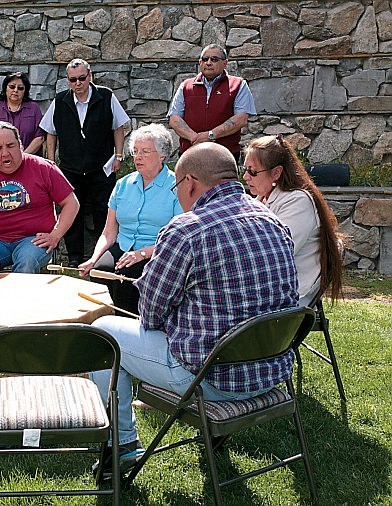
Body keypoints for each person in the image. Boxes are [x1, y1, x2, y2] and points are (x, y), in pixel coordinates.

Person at [90, 143, 299, 479]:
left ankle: (124, 444)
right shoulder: (274, 221)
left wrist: (177, 317)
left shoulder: (187, 229)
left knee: (103, 331)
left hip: (211, 378)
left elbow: (151, 313)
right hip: (271, 372)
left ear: (188, 183)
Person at [78, 124, 182, 314]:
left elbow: (178, 238)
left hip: (156, 250)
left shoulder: (176, 186)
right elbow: (109, 233)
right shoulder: (123, 184)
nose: (138, 157)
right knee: (100, 271)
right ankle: (103, 326)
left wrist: (142, 254)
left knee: (126, 278)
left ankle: (128, 330)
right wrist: (93, 258)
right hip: (124, 245)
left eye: (145, 151)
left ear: (162, 155)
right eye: (135, 151)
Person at [40, 58, 130, 267]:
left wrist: (119, 156)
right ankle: (74, 258)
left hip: (101, 167)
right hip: (70, 169)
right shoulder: (60, 101)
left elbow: (118, 127)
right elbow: (50, 133)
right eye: (73, 80)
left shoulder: (106, 96)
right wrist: (52, 161)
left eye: (82, 78)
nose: (78, 83)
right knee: (72, 212)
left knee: (104, 212)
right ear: (68, 81)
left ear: (90, 76)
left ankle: (103, 257)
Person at [0, 122, 79, 274]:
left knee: (26, 262)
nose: (5, 153)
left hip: (34, 239)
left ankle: (21, 298)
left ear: (20, 146)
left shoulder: (44, 168)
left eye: (10, 146)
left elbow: (72, 203)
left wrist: (55, 235)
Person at [243, 134, 344, 304]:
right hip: (269, 289)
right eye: (244, 170)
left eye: (252, 171)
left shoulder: (298, 202)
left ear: (276, 173)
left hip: (290, 296)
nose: (246, 177)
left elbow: (276, 256)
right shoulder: (262, 198)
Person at [167, 43, 256, 161]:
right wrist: (195, 138)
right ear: (200, 62)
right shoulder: (186, 86)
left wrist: (210, 135)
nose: (208, 62)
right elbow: (174, 119)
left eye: (214, 59)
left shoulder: (238, 85)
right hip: (190, 155)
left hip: (224, 157)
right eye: (205, 59)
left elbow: (241, 119)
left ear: (225, 63)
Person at [0, 72, 45, 157]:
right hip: (1, 161)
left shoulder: (34, 109)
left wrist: (22, 156)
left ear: (25, 91)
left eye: (20, 88)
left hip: (28, 160)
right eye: (12, 86)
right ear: (5, 88)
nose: (15, 90)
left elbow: (40, 138)